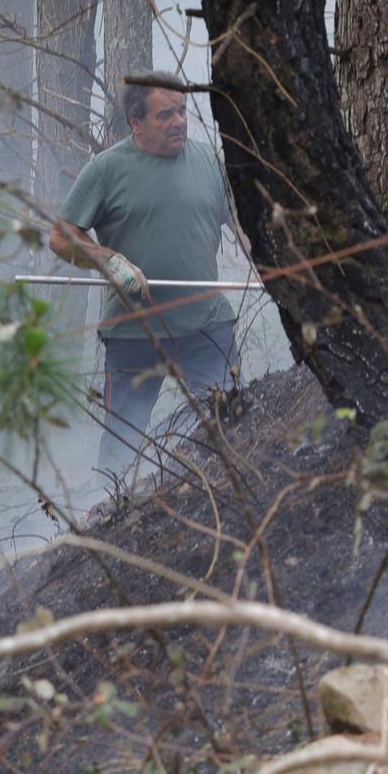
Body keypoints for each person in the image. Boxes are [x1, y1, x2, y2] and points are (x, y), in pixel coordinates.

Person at [48, 74, 245, 492]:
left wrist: (264, 253)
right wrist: (109, 260)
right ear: (136, 123)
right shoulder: (107, 169)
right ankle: (110, 517)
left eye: (182, 111)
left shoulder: (209, 161)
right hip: (135, 333)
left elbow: (243, 222)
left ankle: (227, 503)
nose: (179, 122)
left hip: (206, 325)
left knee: (229, 424)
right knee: (123, 442)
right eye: (165, 115)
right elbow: (60, 237)